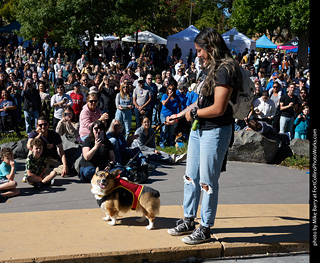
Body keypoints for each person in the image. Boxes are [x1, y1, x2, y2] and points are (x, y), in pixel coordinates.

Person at [166, 28, 242, 245]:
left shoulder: (225, 70)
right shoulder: (212, 68)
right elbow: (201, 102)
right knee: (190, 177)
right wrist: (180, 115)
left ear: (211, 47)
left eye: (200, 50)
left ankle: (205, 227)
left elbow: (218, 108)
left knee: (208, 182)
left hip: (216, 131)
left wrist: (193, 114)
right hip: (199, 129)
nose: (198, 54)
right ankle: (188, 219)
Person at [159, 83, 181, 148]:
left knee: (171, 130)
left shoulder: (177, 97)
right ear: (167, 90)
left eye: (172, 89)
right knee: (164, 129)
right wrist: (169, 96)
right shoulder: (164, 96)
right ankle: (162, 142)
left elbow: (179, 106)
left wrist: (178, 115)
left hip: (173, 116)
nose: (171, 90)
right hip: (164, 115)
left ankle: (170, 142)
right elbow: (164, 103)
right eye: (169, 89)